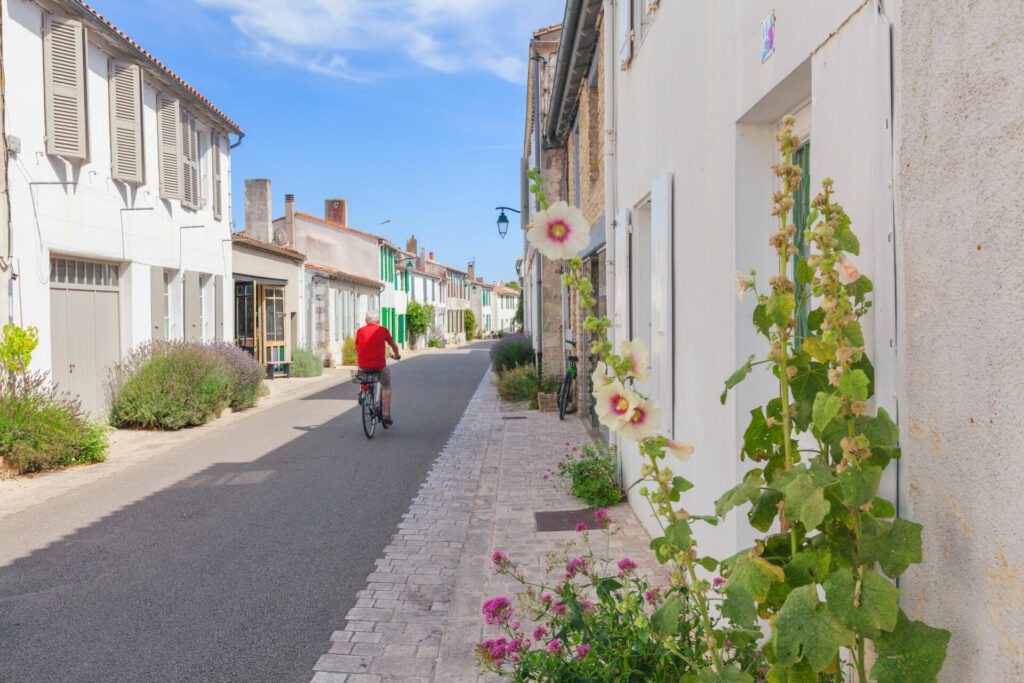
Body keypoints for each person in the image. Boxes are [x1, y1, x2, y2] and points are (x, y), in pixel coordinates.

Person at [355, 310, 401, 426]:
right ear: (379, 321)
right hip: (379, 365)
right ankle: (386, 414)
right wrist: (397, 355)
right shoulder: (383, 330)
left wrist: (361, 356)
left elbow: (356, 347)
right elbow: (393, 345)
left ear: (366, 321)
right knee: (387, 387)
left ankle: (363, 392)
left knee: (360, 371)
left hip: (363, 364)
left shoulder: (360, 331)